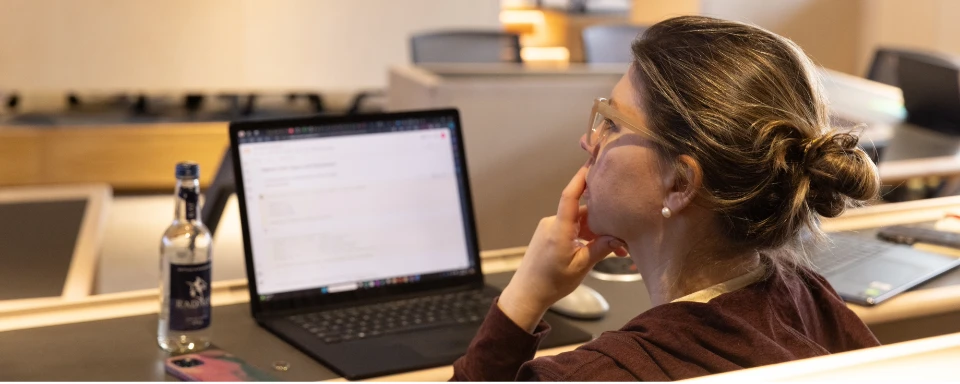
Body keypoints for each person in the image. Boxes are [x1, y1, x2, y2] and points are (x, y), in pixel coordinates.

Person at [451, 15, 882, 381]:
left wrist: (525, 296)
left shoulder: (591, 375)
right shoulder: (809, 298)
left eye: (612, 123)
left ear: (680, 183)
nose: (589, 141)